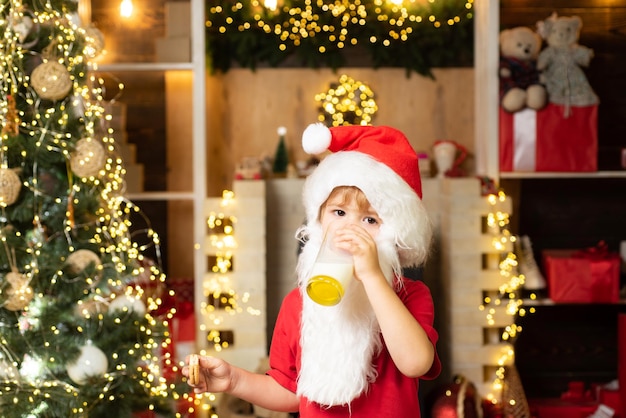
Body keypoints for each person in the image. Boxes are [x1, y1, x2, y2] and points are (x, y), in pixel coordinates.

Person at [183, 123, 441, 417]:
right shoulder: (297, 304)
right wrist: (234, 380)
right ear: (319, 220)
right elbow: (292, 392)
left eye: (370, 220)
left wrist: (372, 276)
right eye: (339, 213)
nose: (350, 229)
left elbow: (416, 363)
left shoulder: (411, 295)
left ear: (395, 233)